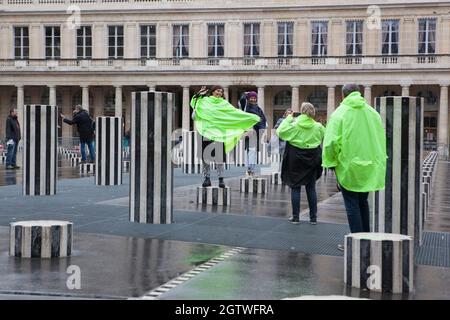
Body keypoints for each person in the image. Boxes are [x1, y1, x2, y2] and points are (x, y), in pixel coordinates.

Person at [322, 84, 386, 250]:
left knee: (352, 205)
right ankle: (366, 238)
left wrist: (331, 164)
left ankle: (357, 241)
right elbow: (380, 139)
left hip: (348, 166)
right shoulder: (373, 113)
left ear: (343, 96)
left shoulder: (339, 113)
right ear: (359, 93)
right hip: (370, 165)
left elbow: (330, 143)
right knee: (363, 202)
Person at [191, 86, 260, 187]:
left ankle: (221, 179)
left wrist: (250, 117)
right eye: (218, 90)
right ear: (212, 91)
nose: (219, 92)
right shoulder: (204, 100)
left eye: (221, 91)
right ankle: (207, 178)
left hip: (219, 134)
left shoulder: (224, 103)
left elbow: (235, 113)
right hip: (206, 132)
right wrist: (199, 94)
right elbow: (194, 105)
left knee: (219, 158)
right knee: (206, 158)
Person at [276, 103, 325, 225]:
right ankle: (313, 218)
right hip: (312, 159)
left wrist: (288, 118)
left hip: (296, 159)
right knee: (311, 188)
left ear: (302, 111)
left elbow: (280, 132)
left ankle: (296, 217)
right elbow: (326, 135)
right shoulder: (318, 126)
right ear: (313, 113)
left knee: (295, 187)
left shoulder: (294, 125)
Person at [238, 91, 267, 176]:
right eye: (251, 97)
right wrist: (245, 94)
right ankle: (249, 169)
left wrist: (261, 130)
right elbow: (242, 100)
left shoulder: (258, 108)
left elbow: (263, 119)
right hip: (249, 132)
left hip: (256, 132)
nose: (253, 99)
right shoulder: (246, 107)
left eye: (254, 98)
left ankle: (251, 169)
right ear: (248, 98)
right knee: (251, 150)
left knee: (253, 151)